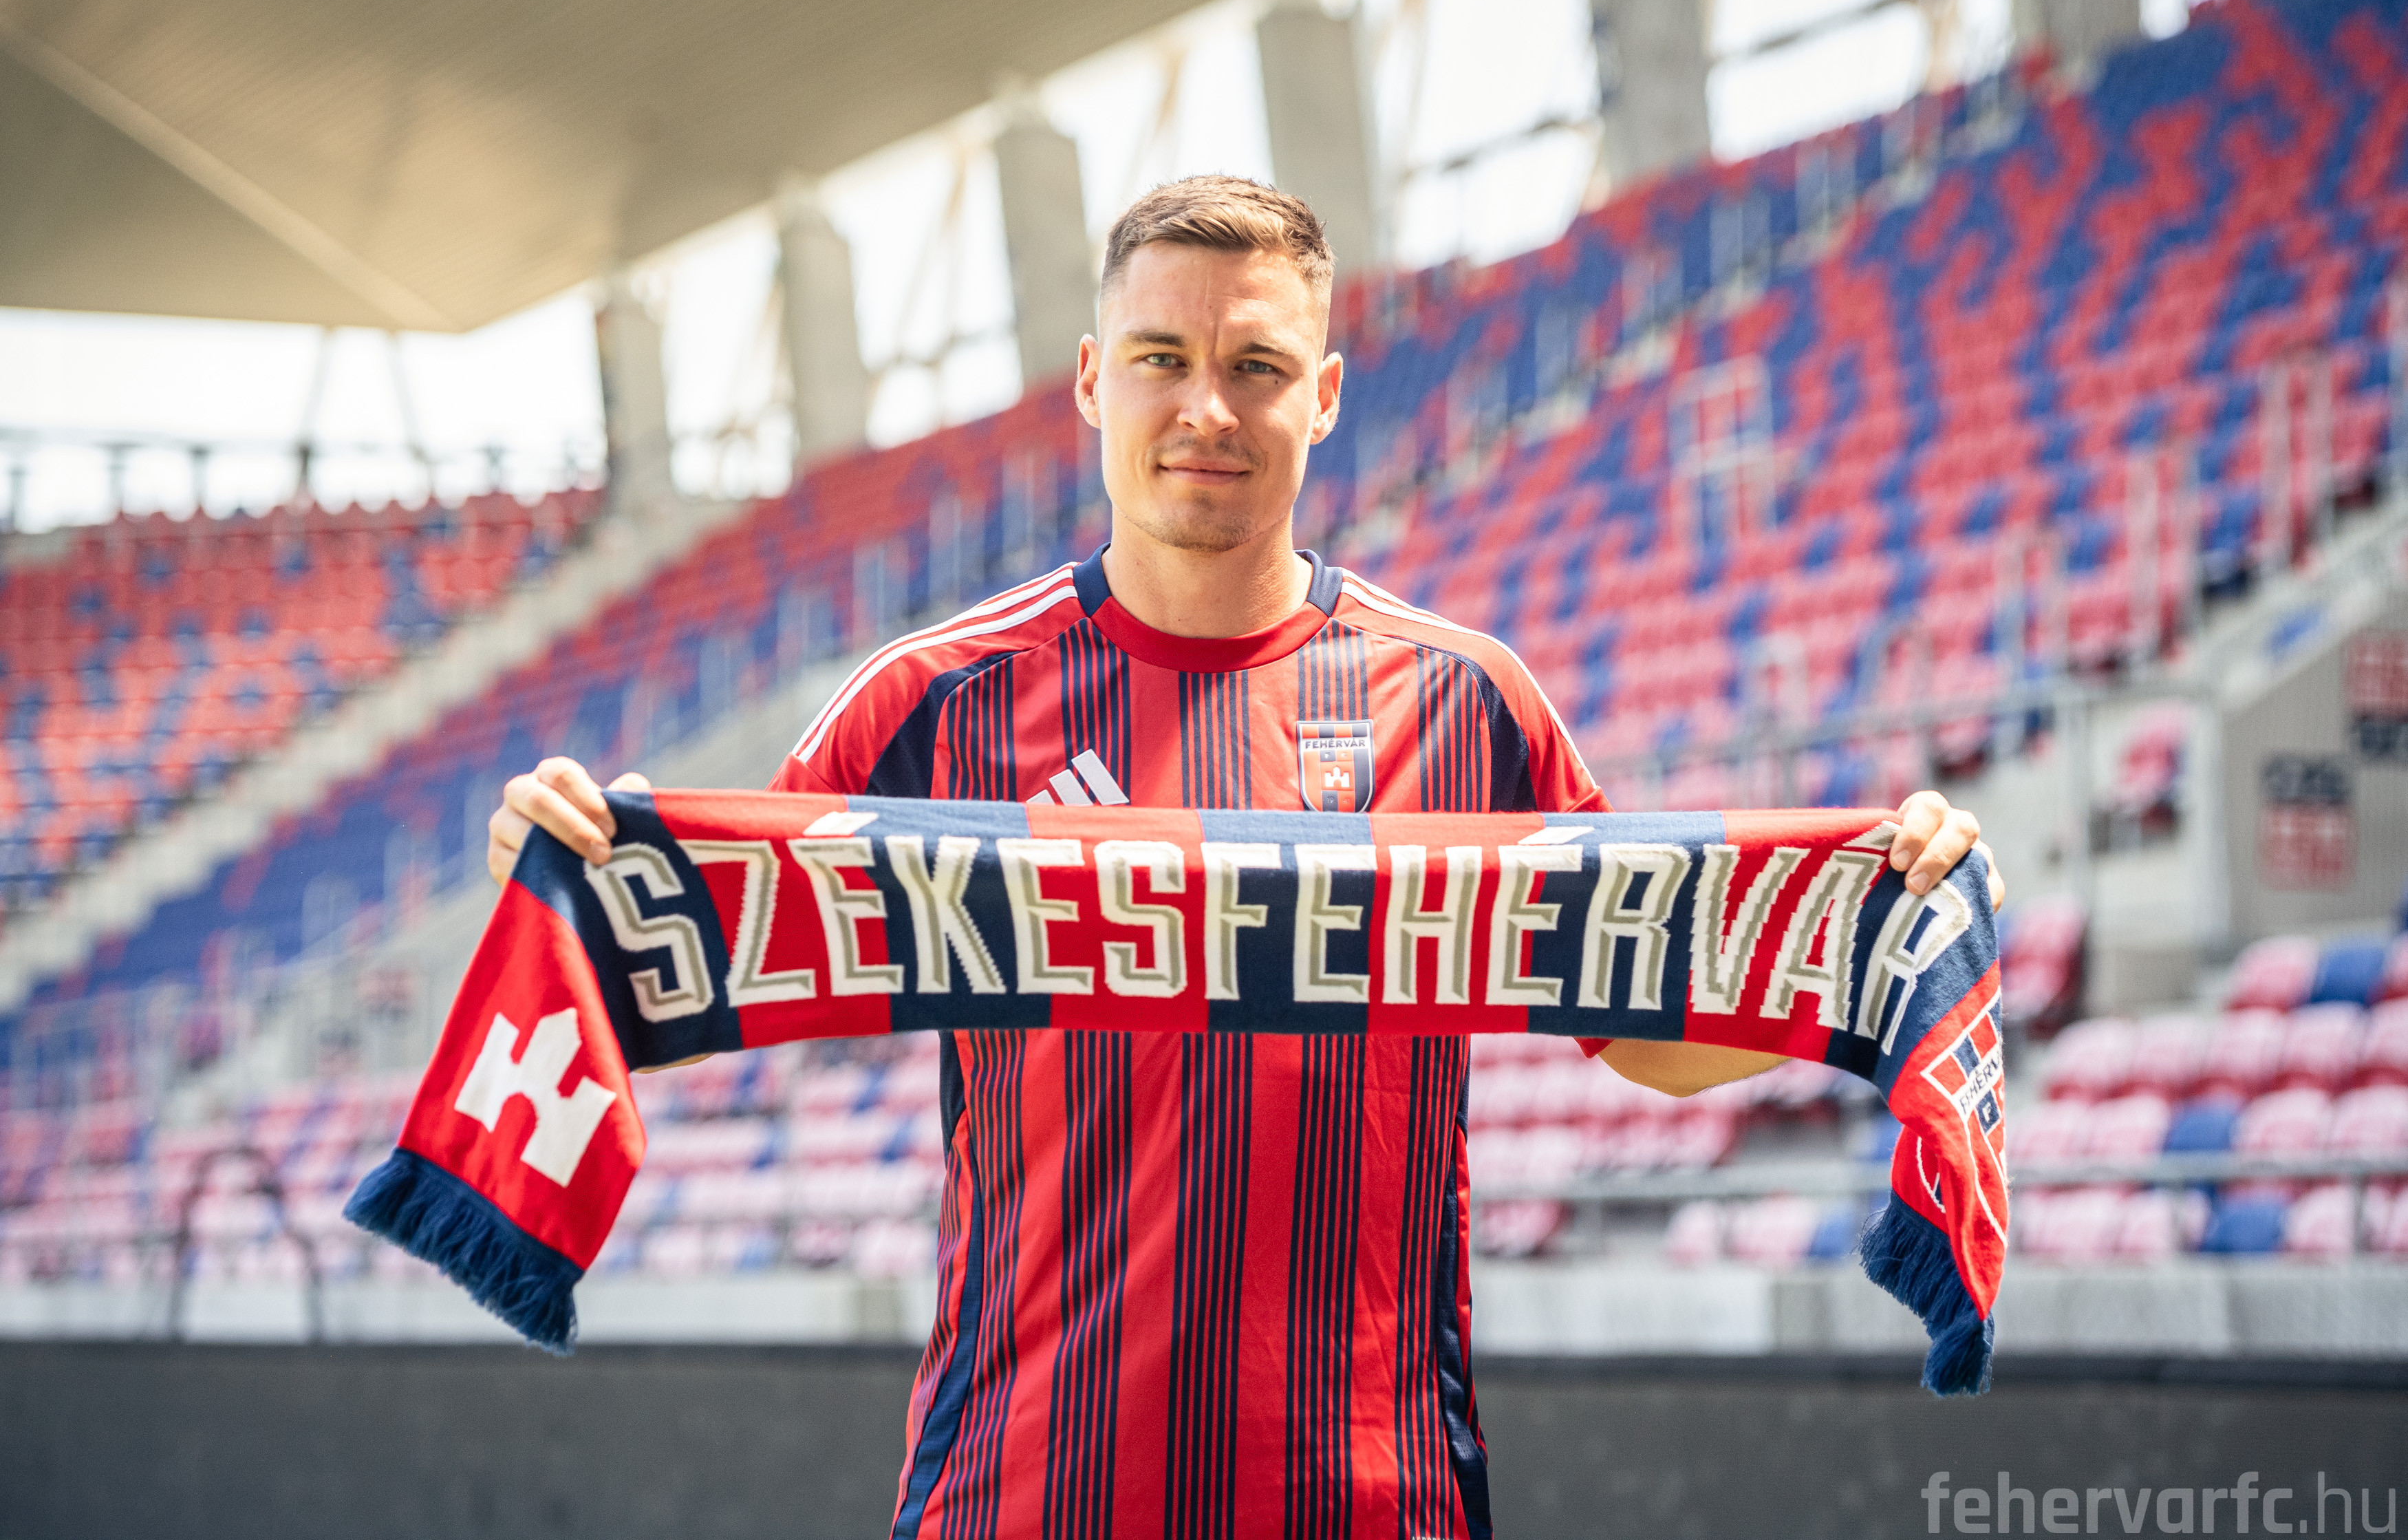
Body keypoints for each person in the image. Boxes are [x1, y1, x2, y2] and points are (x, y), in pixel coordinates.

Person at [488, 176, 2002, 1539]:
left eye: (1256, 366)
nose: (1205, 406)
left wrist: (1879, 928)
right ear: (1095, 379)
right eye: (1163, 358)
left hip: (1376, 1497)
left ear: (1322, 395)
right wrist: (573, 873)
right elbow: (723, 948)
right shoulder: (929, 702)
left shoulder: (1466, 700)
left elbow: (1646, 1032)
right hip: (1021, 1493)